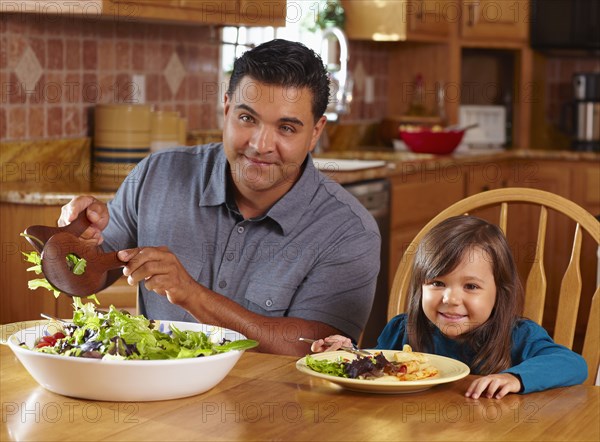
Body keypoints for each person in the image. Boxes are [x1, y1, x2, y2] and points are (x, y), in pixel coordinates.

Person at [59, 39, 381, 356]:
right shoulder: (156, 176)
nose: (260, 144)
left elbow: (314, 350)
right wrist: (76, 240)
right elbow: (86, 273)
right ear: (226, 109)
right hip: (154, 402)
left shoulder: (349, 231)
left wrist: (191, 294)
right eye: (247, 118)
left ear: (315, 132)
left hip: (273, 408)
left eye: (286, 128)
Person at [311, 215, 588, 399]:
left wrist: (514, 378)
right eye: (437, 283)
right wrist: (346, 355)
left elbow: (573, 364)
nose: (451, 299)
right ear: (420, 286)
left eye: (471, 287)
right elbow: (379, 370)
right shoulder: (401, 329)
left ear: (499, 293)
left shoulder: (519, 335)